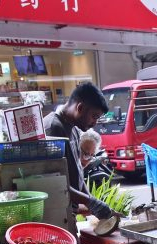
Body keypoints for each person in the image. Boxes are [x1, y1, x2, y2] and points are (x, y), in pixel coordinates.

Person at [43, 82, 115, 231]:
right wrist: (90, 202)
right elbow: (55, 185)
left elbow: (78, 174)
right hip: (56, 218)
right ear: (80, 108)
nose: (94, 123)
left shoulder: (75, 130)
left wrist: (92, 201)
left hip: (69, 214)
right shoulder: (53, 129)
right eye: (94, 116)